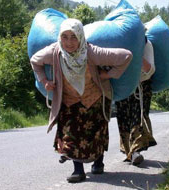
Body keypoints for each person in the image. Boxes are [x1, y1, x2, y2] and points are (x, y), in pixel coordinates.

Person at [30, 18, 133, 183]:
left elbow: (126, 56)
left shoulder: (91, 52)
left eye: (73, 37)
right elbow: (35, 61)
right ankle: (78, 171)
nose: (69, 42)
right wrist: (45, 81)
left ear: (81, 37)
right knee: (70, 135)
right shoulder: (55, 52)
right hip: (69, 101)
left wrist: (106, 75)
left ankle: (98, 163)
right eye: (65, 37)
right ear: (60, 37)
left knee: (96, 134)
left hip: (95, 99)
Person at [115, 37, 157, 166]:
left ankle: (135, 150)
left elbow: (150, 70)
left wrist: (136, 55)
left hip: (142, 86)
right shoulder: (117, 43)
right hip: (123, 85)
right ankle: (129, 151)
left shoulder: (146, 44)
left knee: (138, 117)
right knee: (123, 118)